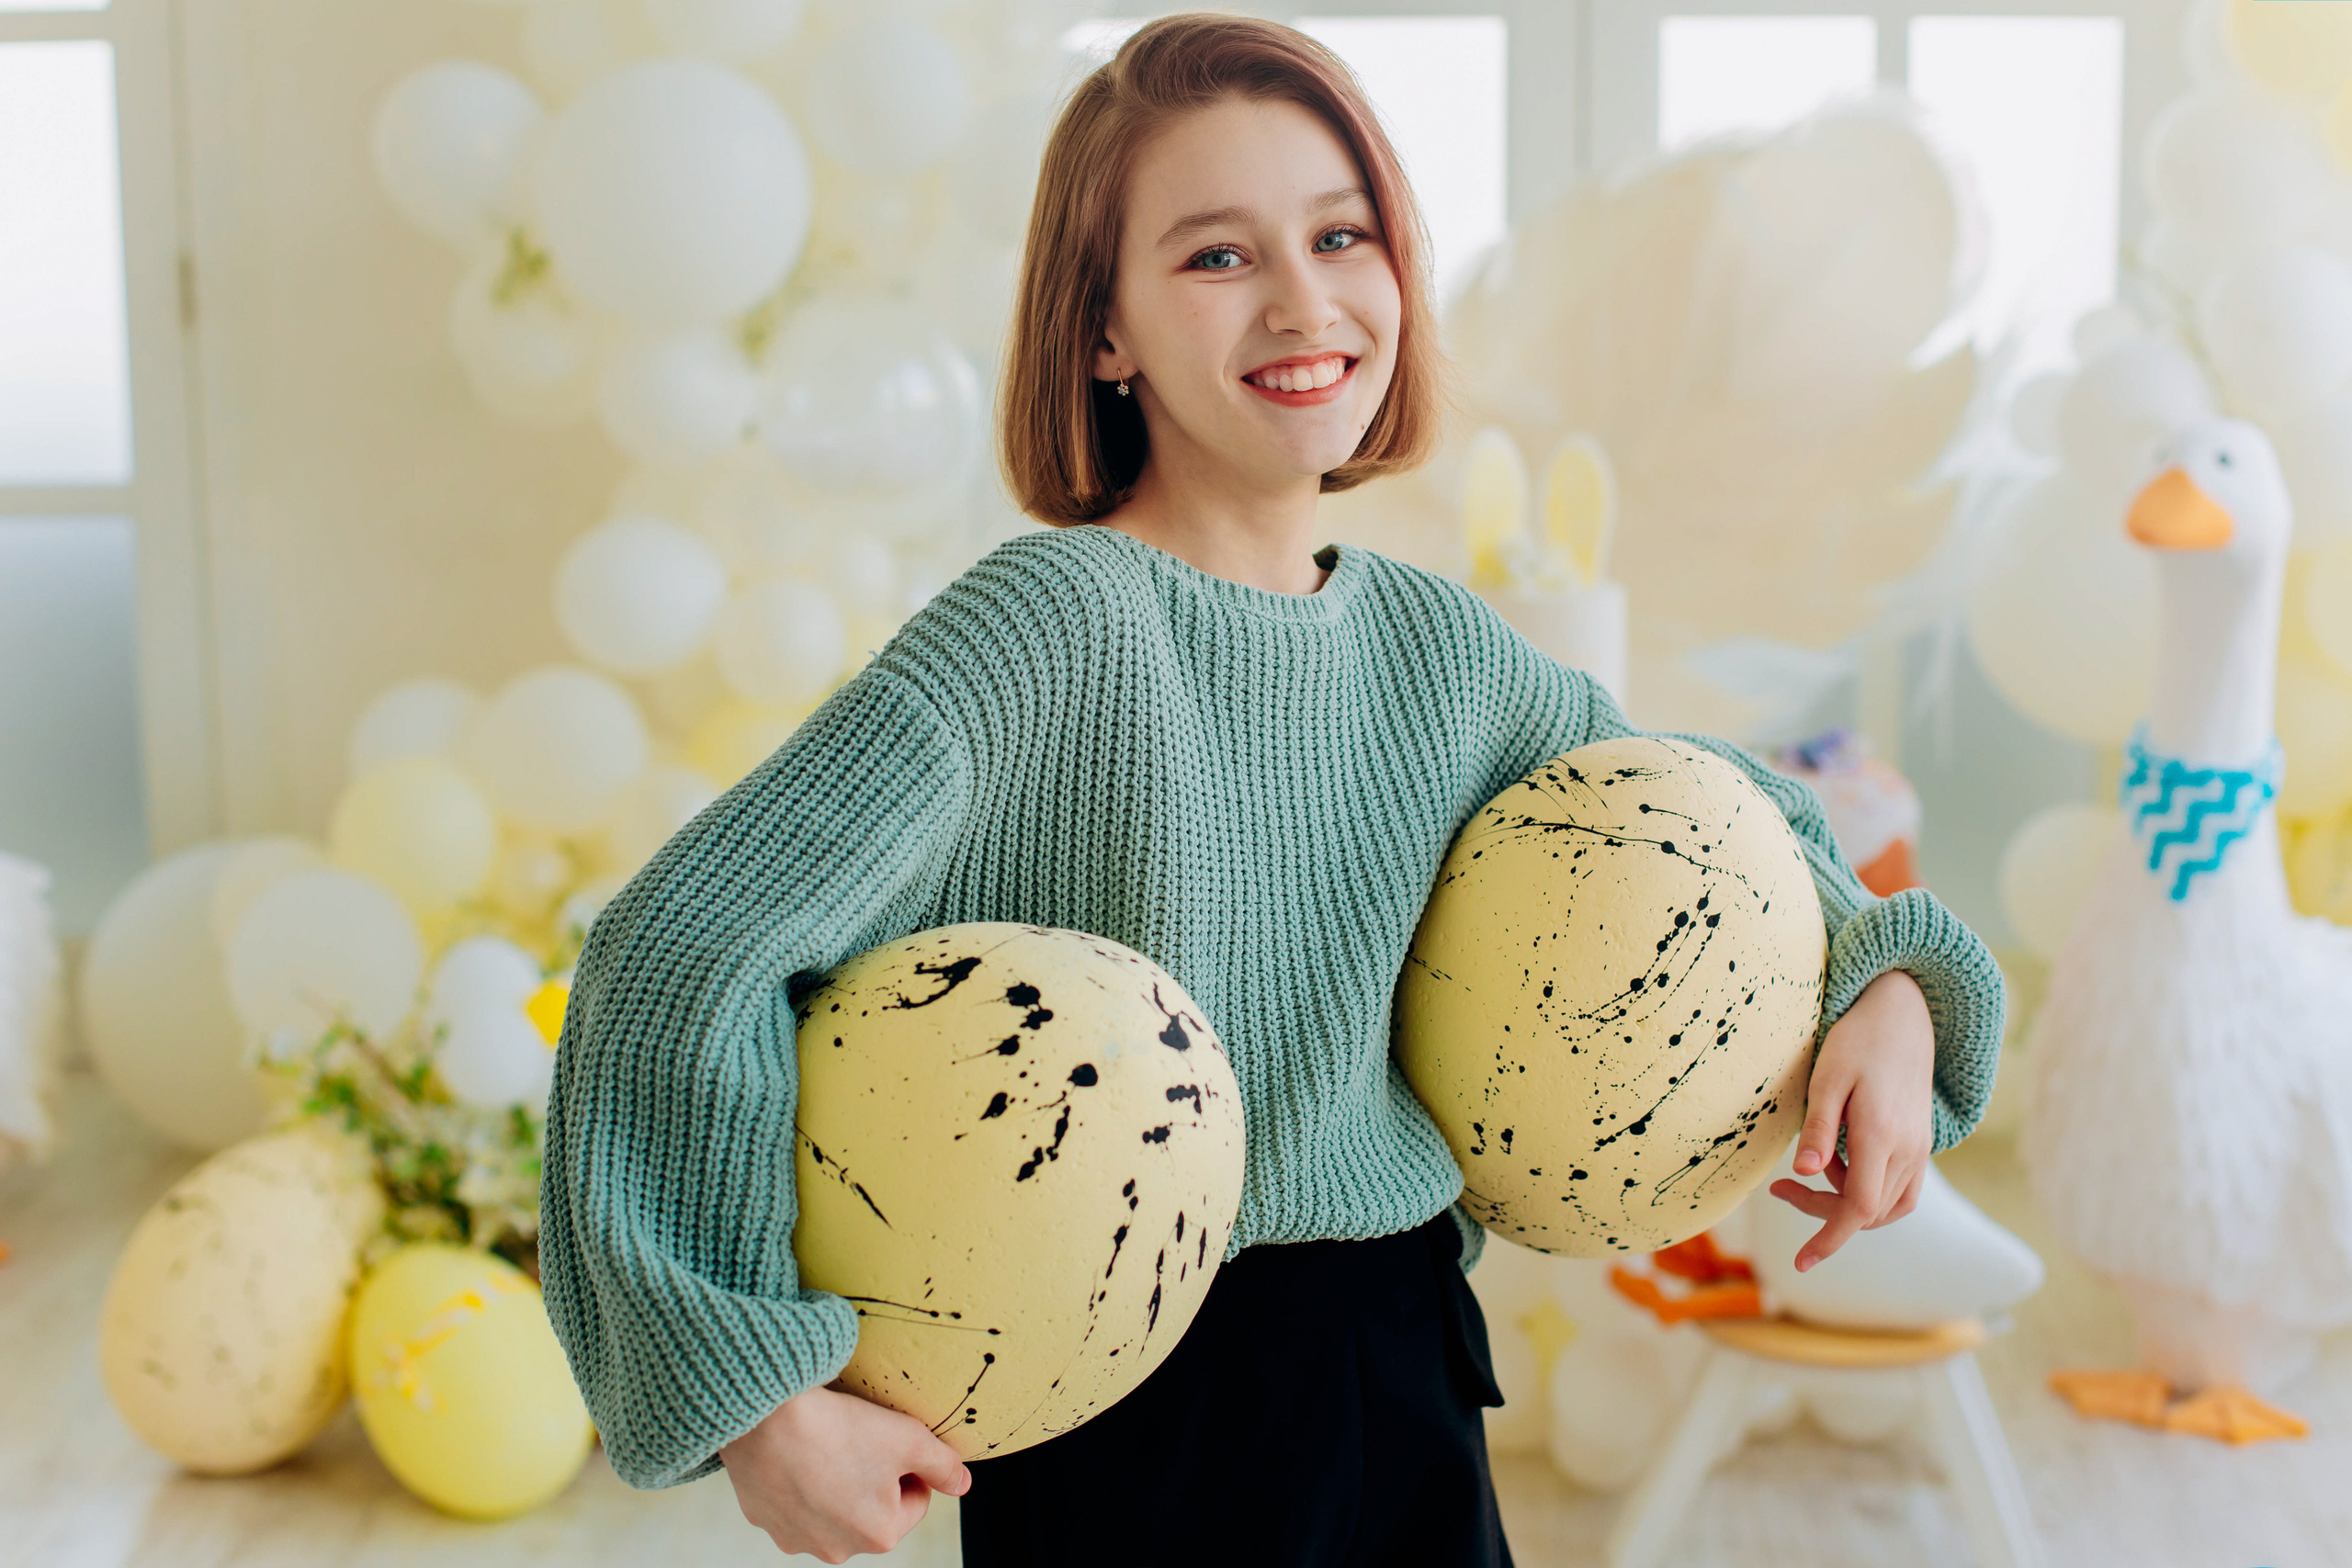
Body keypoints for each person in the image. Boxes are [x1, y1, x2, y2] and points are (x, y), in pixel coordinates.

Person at [537, 14, 2007, 1565]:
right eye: (1216, 257)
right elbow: (679, 946)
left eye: (1341, 234)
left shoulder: (1444, 652)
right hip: (1127, 1427)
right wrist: (755, 1387)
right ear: (1103, 331)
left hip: (1404, 1364)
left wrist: (1889, 981)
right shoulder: (1050, 628)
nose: (1305, 300)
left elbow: (1720, 822)